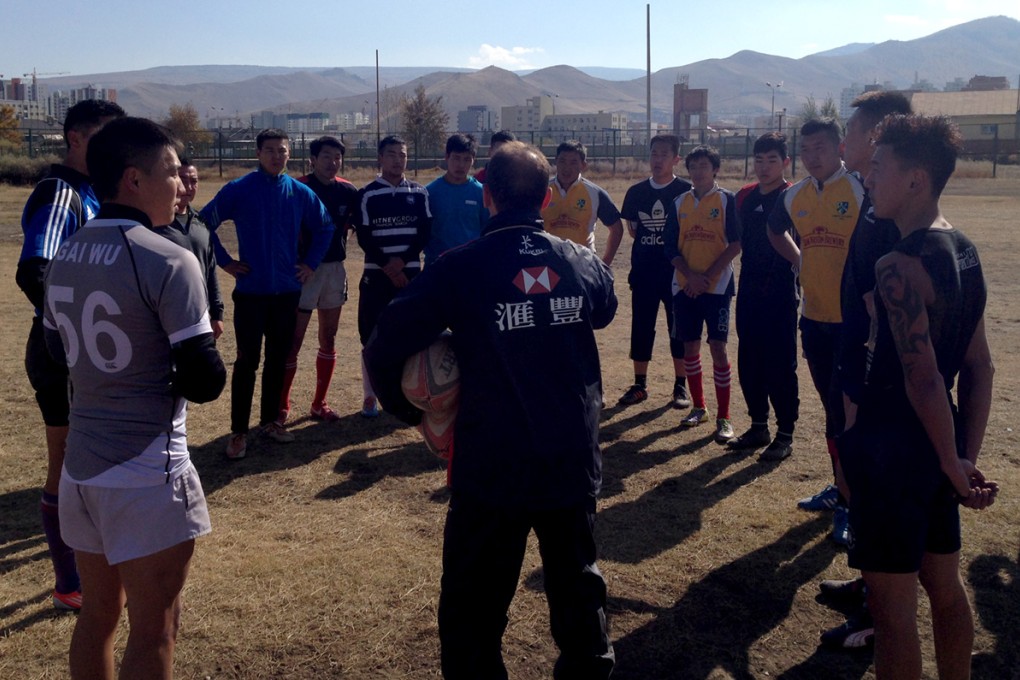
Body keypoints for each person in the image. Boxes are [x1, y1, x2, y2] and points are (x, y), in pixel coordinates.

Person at [364, 141, 616, 680]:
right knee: (580, 600)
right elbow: (605, 307)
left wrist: (413, 414)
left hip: (491, 465)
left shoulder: (459, 269)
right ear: (545, 198)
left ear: (487, 197)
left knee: (472, 617)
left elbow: (383, 343)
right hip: (570, 460)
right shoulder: (579, 260)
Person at [42, 116, 226, 679]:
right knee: (155, 627)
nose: (181, 185)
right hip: (146, 469)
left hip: (82, 467)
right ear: (134, 179)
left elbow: (53, 355)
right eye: (171, 172)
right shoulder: (168, 257)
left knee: (97, 614)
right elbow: (206, 381)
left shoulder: (66, 252)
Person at [840, 113, 997, 680]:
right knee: (945, 588)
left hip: (893, 449)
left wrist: (955, 462)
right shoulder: (965, 250)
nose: (868, 177)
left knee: (892, 613)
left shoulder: (898, 266)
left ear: (915, 179)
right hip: (937, 442)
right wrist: (960, 457)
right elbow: (979, 368)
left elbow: (924, 378)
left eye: (878, 167)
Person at [16, 98, 125, 611]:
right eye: (104, 135)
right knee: (66, 464)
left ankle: (93, 564)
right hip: (64, 352)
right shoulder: (62, 191)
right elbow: (34, 270)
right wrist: (70, 332)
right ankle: (69, 583)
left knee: (92, 461)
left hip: (92, 349)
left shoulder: (99, 192)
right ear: (75, 138)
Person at [818, 90, 914, 650]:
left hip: (873, 375)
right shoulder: (869, 197)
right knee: (855, 474)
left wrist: (866, 381)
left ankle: (880, 612)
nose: (844, 139)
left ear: (876, 136)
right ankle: (867, 583)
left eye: (852, 131)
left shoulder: (893, 212)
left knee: (873, 484)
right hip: (851, 356)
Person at [200, 128, 334, 458]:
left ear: (290, 154)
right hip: (251, 292)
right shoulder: (239, 189)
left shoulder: (299, 192)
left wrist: (310, 264)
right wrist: (226, 262)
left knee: (278, 359)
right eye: (270, 150)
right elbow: (203, 224)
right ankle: (238, 432)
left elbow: (325, 226)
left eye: (282, 150)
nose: (277, 156)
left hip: (287, 292)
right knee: (247, 361)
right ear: (258, 153)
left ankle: (271, 422)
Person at [767, 118, 864, 542]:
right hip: (815, 319)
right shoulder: (794, 195)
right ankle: (841, 489)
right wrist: (799, 260)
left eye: (820, 147)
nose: (812, 156)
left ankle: (853, 503)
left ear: (839, 147)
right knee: (831, 410)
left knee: (852, 414)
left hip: (854, 324)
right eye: (805, 149)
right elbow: (774, 230)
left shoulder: (861, 189)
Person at [277, 135, 359, 423]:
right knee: (294, 340)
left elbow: (354, 225)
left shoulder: (348, 191)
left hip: (334, 270)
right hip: (303, 273)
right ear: (313, 159)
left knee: (329, 337)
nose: (332, 162)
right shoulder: (297, 188)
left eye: (337, 157)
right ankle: (282, 404)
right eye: (326, 156)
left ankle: (319, 403)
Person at [664, 145, 742, 443]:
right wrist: (690, 276)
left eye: (704, 166)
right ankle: (699, 407)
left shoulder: (727, 200)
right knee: (690, 346)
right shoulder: (679, 202)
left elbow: (735, 244)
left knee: (718, 347)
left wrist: (705, 277)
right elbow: (670, 247)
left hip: (717, 287)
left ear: (715, 169)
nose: (698, 172)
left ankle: (724, 417)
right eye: (693, 166)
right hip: (685, 286)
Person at [729, 132, 798, 461]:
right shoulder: (743, 196)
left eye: (772, 160)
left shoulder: (795, 197)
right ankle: (759, 426)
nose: (764, 166)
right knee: (750, 360)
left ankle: (785, 434)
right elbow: (737, 241)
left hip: (782, 291)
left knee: (780, 363)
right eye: (759, 160)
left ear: (785, 162)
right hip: (749, 290)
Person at [354, 135, 431, 417]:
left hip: (410, 277)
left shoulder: (420, 193)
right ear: (380, 158)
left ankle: (408, 395)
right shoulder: (367, 194)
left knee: (410, 335)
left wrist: (401, 263)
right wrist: (389, 266)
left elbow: (424, 233)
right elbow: (365, 237)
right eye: (391, 154)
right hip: (376, 277)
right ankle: (370, 396)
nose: (398, 160)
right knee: (370, 337)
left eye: (402, 155)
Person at [617, 134, 692, 409]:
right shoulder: (636, 192)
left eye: (664, 154)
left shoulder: (686, 191)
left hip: (676, 274)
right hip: (644, 272)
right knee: (641, 326)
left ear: (676, 159)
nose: (657, 160)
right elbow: (633, 230)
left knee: (678, 329)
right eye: (654, 154)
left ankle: (680, 385)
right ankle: (640, 384)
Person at [153, 158, 225, 340]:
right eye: (183, 179)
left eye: (194, 181)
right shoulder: (154, 224)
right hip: (165, 318)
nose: (189, 187)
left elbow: (210, 270)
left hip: (200, 316)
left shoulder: (201, 224)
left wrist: (217, 313)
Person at [541, 140, 624, 266]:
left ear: (583, 165)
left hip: (583, 263)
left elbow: (617, 229)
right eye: (562, 161)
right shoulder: (541, 190)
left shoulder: (595, 193)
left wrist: (604, 265)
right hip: (548, 261)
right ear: (555, 161)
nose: (567, 168)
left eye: (573, 162)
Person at [424, 133, 488, 266]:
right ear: (447, 157)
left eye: (467, 159)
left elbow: (486, 231)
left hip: (470, 265)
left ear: (473, 160)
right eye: (456, 158)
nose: (461, 164)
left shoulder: (481, 193)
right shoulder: (430, 192)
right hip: (438, 266)